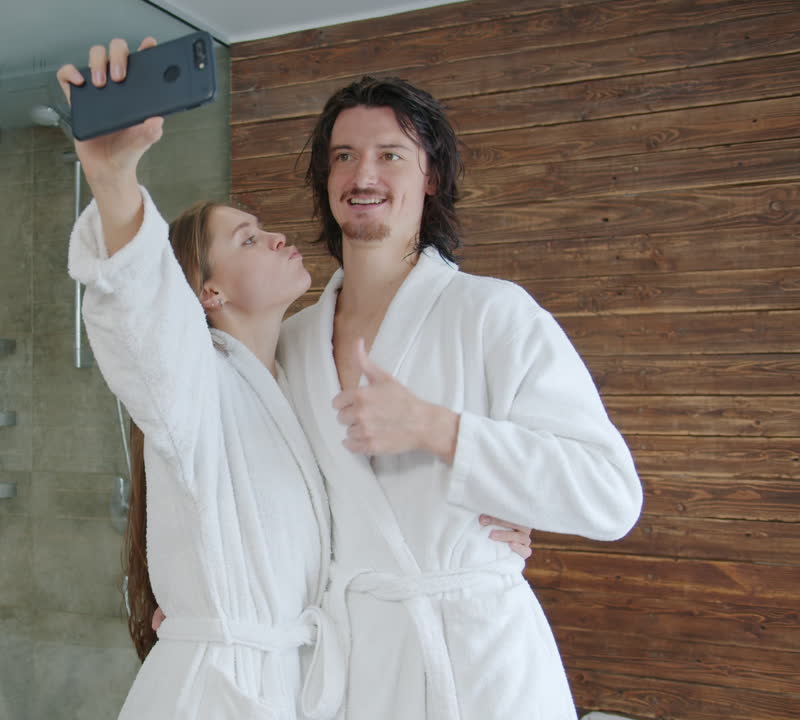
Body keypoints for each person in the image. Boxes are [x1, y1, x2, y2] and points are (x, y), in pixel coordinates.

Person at [57, 41, 532, 720]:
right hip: (222, 693)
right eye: (247, 239)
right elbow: (141, 319)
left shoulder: (297, 377)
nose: (277, 237)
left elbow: (362, 509)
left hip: (301, 680)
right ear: (207, 293)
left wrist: (475, 527)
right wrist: (113, 178)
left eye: (264, 227)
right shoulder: (193, 379)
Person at [276, 76, 645, 720]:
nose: (363, 174)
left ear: (431, 177)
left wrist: (439, 430)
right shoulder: (291, 342)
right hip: (353, 664)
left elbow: (610, 496)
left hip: (479, 666)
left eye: (391, 154)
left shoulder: (492, 313)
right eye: (343, 156)